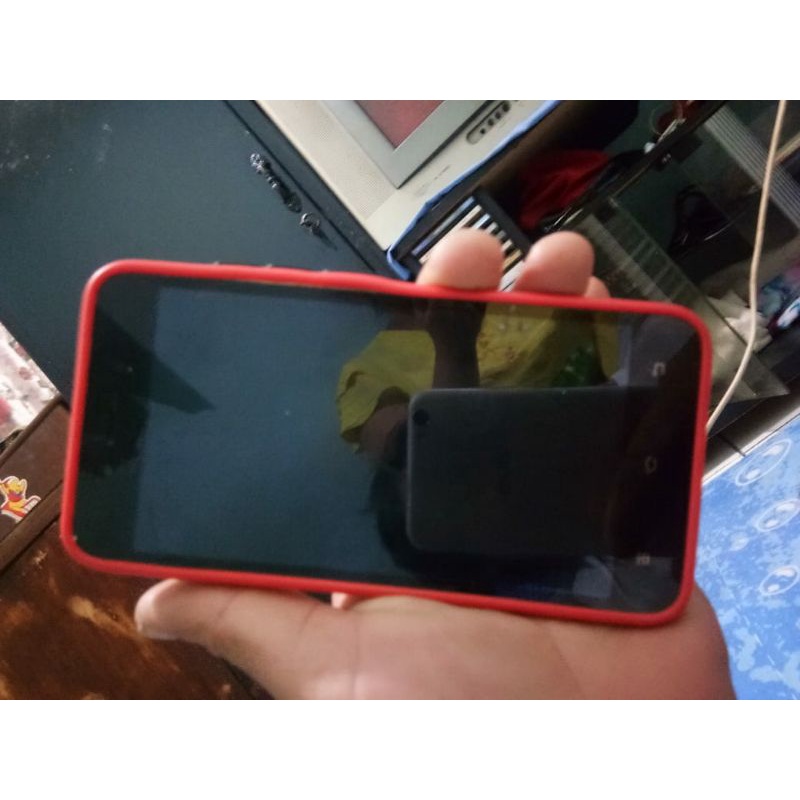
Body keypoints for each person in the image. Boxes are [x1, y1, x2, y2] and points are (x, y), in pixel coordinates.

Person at [134, 229, 735, 699]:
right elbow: (410, 446)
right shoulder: (366, 380)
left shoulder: (507, 317)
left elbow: (649, 361)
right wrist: (454, 349)